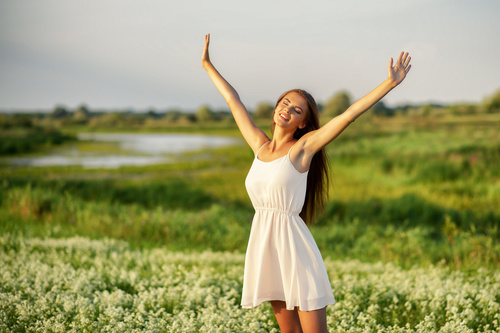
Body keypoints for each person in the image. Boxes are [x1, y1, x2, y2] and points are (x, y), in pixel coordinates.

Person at [201, 34, 411, 333]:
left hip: (295, 251)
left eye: (297, 109)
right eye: (285, 103)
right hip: (266, 249)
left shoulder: (303, 149)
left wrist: (389, 83)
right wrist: (207, 65)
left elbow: (348, 115)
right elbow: (233, 100)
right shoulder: (259, 146)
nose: (287, 108)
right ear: (276, 109)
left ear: (302, 123)